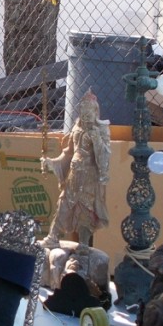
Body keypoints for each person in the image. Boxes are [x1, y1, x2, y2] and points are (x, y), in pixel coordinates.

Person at [41, 89, 110, 252]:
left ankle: (84, 244)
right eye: (83, 112)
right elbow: (68, 152)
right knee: (63, 203)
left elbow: (105, 156)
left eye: (89, 112)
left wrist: (97, 140)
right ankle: (53, 236)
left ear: (95, 112)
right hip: (74, 173)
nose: (85, 116)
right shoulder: (76, 129)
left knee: (86, 209)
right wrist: (52, 162)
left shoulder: (101, 130)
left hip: (90, 175)